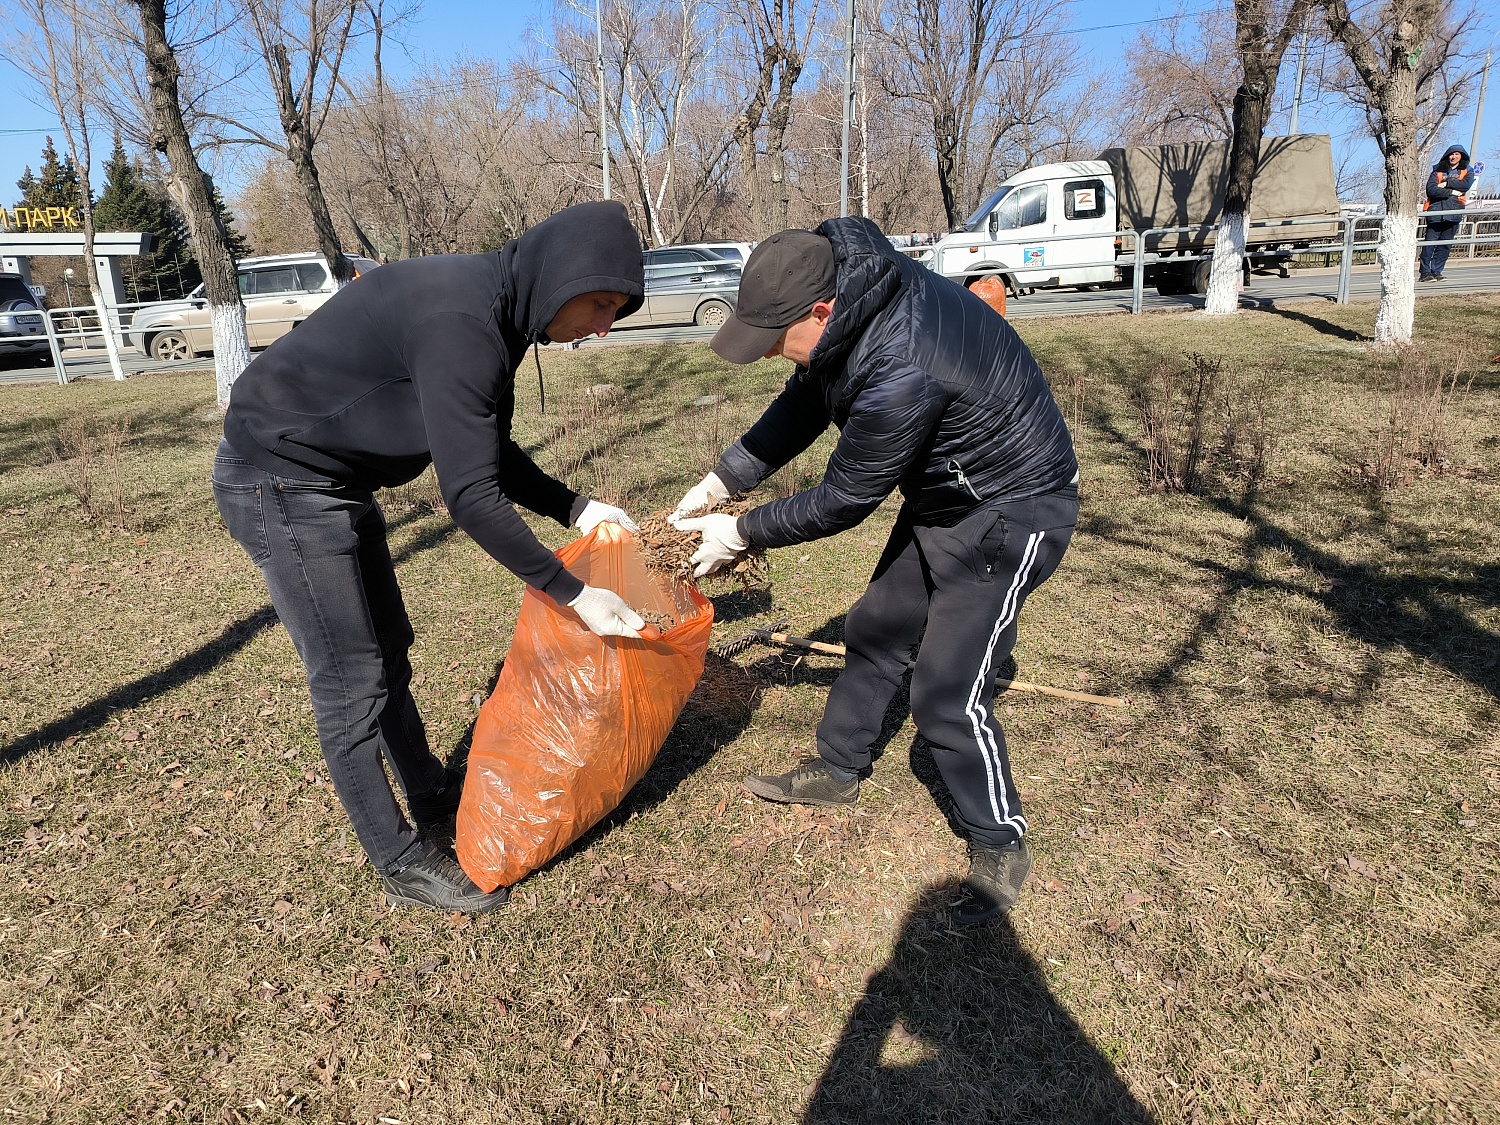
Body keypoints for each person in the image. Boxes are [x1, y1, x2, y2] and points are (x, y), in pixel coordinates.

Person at [214, 201, 648, 915]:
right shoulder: (465, 322)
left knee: (390, 648)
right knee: (351, 678)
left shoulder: (496, 311)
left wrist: (577, 507)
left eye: (617, 311)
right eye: (600, 303)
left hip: (331, 476)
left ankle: (425, 786)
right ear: (560, 276)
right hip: (279, 478)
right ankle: (399, 860)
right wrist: (569, 590)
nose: (603, 326)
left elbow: (482, 447)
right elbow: (471, 495)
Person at [671, 223, 1078, 926]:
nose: (770, 353)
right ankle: (836, 769)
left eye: (773, 338)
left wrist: (739, 532)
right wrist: (723, 479)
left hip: (1013, 509)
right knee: (877, 627)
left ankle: (999, 840)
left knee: (947, 691)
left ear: (819, 314)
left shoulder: (904, 361)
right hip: (948, 489)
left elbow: (845, 498)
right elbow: (805, 398)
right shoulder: (852, 302)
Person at [1420, 145, 1474, 282]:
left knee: (1445, 244)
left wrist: (1446, 183)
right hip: (1436, 211)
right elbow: (1431, 190)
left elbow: (1465, 186)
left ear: (1461, 156)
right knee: (1429, 243)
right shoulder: (1437, 171)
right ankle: (1425, 273)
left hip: (1454, 211)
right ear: (1447, 155)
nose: (1453, 157)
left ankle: (1437, 271)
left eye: (1456, 154)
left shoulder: (1467, 170)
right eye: (1451, 154)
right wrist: (1452, 192)